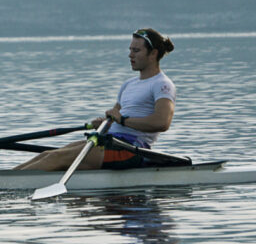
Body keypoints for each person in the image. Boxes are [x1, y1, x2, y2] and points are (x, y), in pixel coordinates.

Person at [15, 28, 176, 171]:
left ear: (153, 53)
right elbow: (114, 116)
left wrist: (122, 120)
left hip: (130, 149)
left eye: (136, 50)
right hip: (108, 140)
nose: (130, 55)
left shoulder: (162, 84)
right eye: (130, 50)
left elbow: (162, 123)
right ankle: (5, 180)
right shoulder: (128, 84)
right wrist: (106, 124)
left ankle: (10, 186)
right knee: (49, 154)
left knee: (56, 158)